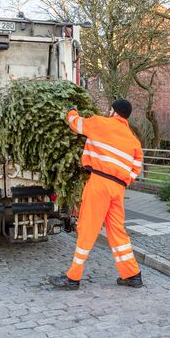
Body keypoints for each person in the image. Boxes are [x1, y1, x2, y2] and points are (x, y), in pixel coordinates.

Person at [49, 99, 144, 290]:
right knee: (117, 231)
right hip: (118, 189)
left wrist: (71, 111)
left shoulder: (100, 123)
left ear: (114, 111)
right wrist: (125, 181)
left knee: (87, 228)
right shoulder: (133, 140)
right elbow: (137, 166)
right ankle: (132, 275)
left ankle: (73, 277)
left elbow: (77, 124)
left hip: (99, 183)